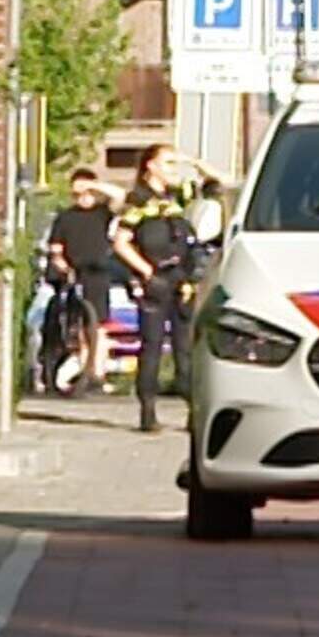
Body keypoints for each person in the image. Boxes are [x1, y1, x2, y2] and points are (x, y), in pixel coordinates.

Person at [113, 147, 212, 436]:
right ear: (151, 166)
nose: (173, 169)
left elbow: (218, 182)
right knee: (152, 345)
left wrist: (191, 161)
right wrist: (146, 272)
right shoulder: (138, 200)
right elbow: (121, 242)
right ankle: (148, 412)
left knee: (185, 347)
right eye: (167, 163)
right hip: (155, 279)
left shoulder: (176, 196)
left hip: (181, 279)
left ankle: (192, 412)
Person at [36, 168, 124, 394]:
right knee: (79, 327)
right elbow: (56, 249)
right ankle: (84, 370)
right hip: (75, 273)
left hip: (98, 273)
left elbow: (120, 196)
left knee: (99, 326)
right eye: (78, 193)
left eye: (88, 192)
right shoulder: (65, 217)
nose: (83, 197)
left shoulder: (103, 213)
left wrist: (93, 185)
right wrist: (64, 267)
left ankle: (97, 373)